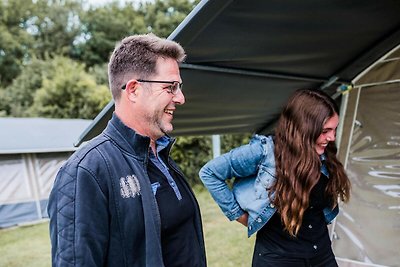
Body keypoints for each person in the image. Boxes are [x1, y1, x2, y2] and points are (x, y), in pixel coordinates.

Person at [48, 33, 206, 267]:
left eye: (179, 87)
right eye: (171, 87)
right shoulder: (86, 171)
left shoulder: (160, 155)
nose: (180, 98)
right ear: (133, 90)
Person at [199, 88, 351, 267]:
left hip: (322, 256)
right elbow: (210, 172)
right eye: (325, 130)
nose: (332, 137)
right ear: (304, 127)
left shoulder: (324, 154)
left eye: (334, 129)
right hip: (278, 259)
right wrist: (238, 215)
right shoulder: (265, 151)